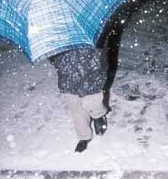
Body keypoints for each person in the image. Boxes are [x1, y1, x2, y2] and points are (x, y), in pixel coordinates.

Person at [49, 10, 128, 152]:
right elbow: (52, 55)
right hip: (68, 76)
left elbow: (102, 49)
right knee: (76, 109)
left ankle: (99, 115)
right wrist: (56, 58)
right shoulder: (54, 28)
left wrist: (98, 65)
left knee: (92, 101)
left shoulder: (91, 23)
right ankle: (84, 136)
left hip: (90, 72)